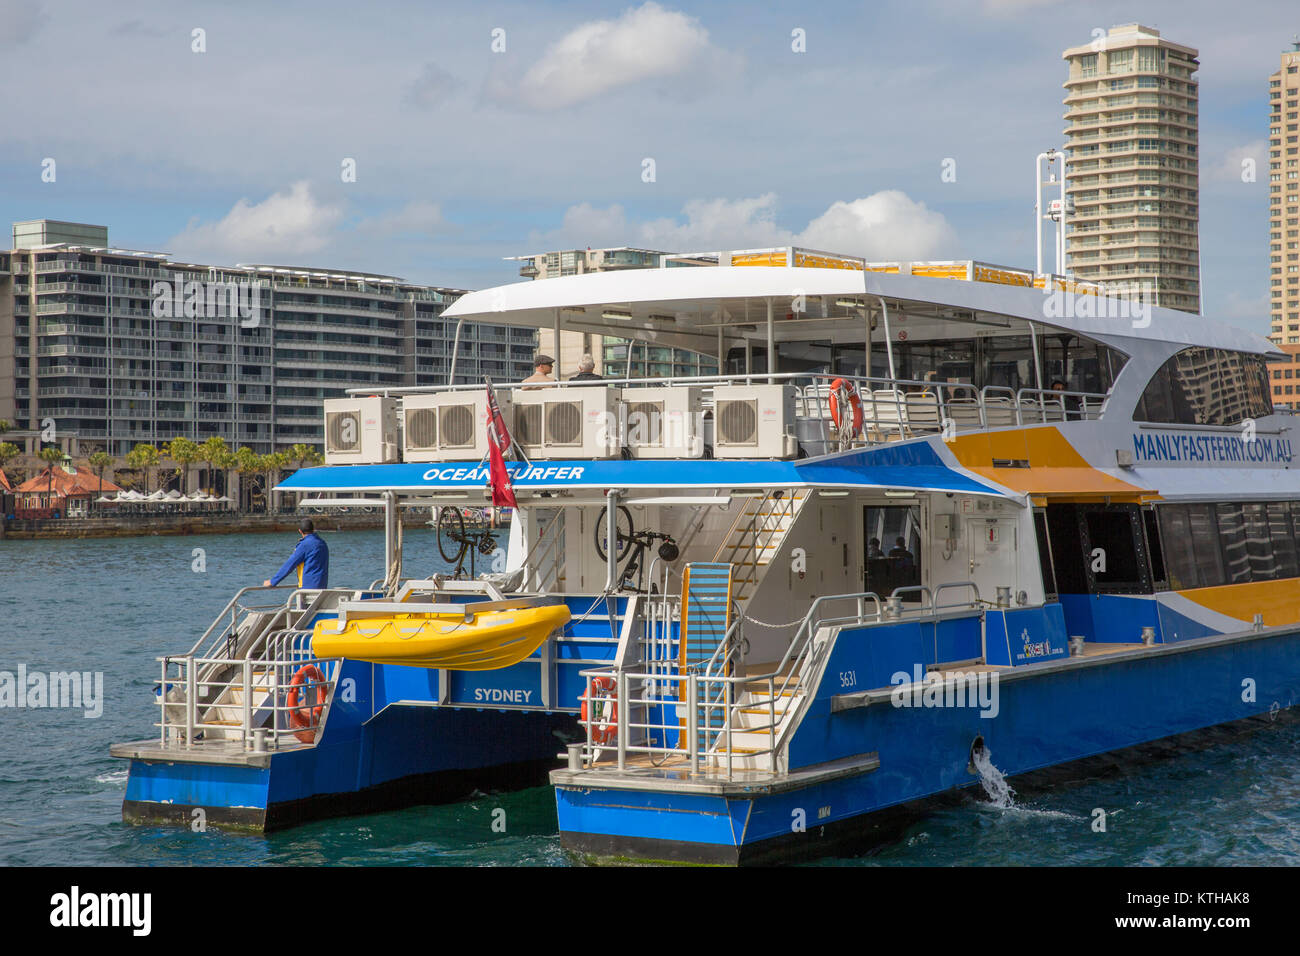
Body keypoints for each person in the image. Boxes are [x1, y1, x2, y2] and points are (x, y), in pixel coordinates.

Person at [264, 518, 329, 589]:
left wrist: (273, 581)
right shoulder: (322, 543)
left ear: (300, 531)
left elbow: (290, 564)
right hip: (322, 588)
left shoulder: (304, 545)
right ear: (313, 529)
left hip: (308, 589)